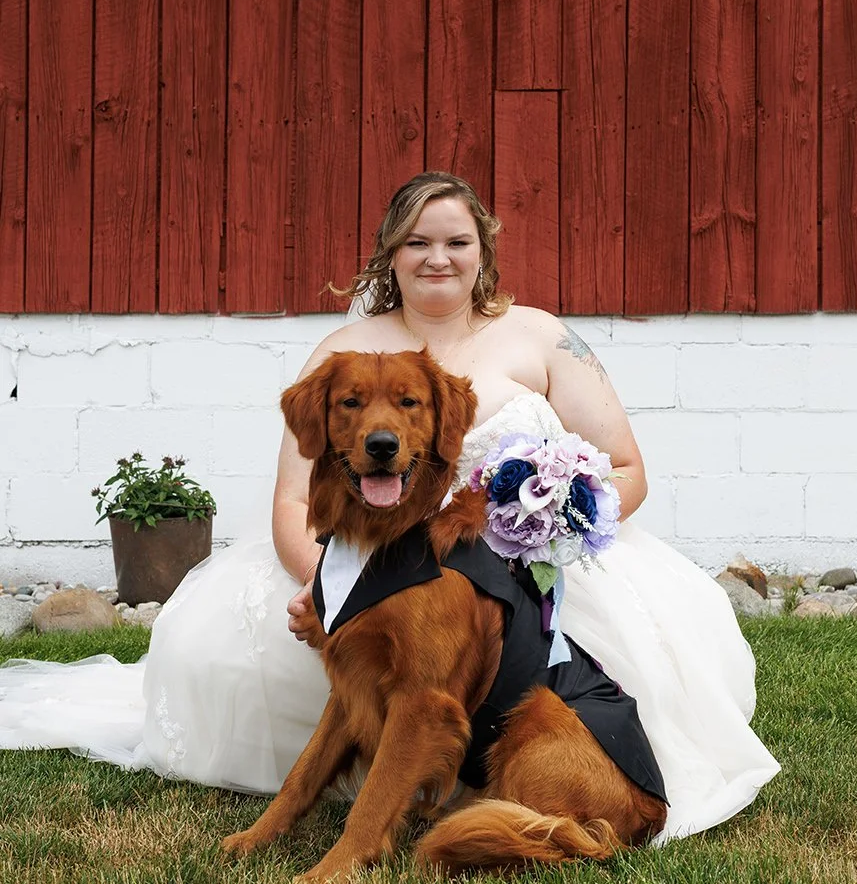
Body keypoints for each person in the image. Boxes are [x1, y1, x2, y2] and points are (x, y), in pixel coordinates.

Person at [0, 172, 779, 840]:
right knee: (212, 656)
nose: (438, 257)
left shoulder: (541, 337)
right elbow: (293, 496)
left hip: (536, 573)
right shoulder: (345, 345)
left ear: (483, 253)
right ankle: (360, 789)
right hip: (367, 564)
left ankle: (521, 787)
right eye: (417, 242)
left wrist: (553, 524)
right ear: (389, 255)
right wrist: (330, 589)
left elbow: (627, 468)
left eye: (456, 242)